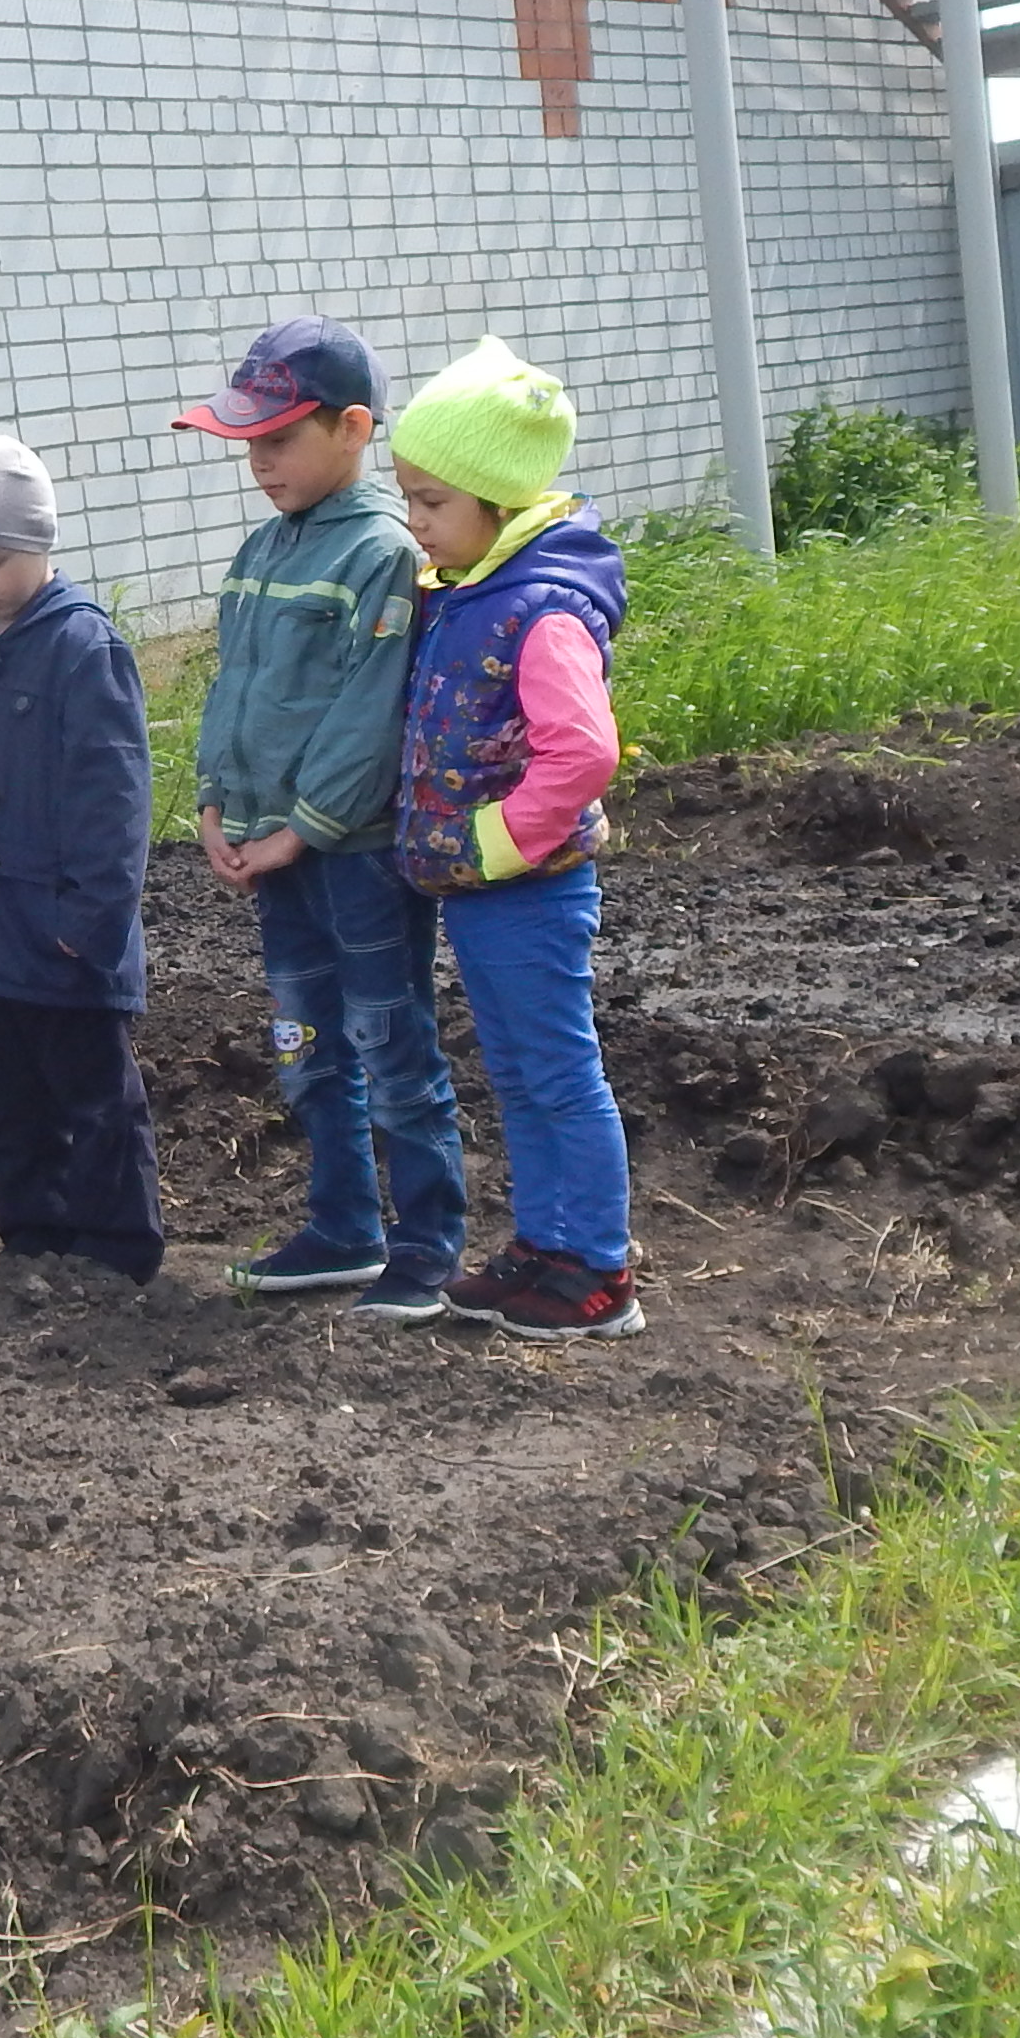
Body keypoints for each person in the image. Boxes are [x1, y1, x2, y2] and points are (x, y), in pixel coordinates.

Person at [177, 315, 467, 1324]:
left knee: (391, 1044)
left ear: (352, 429)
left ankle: (427, 1247)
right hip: (272, 848)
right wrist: (213, 801)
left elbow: (368, 712)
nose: (260, 462)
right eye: (249, 442)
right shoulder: (262, 550)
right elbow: (233, 687)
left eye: (279, 438)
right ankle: (344, 1225)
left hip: (353, 854)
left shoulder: (383, 552)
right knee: (306, 1045)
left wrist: (301, 827)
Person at [386, 338, 640, 1337]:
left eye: (432, 501)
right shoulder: (470, 589)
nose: (414, 520)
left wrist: (497, 841)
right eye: (408, 497)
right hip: (481, 889)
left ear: (498, 503)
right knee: (519, 1073)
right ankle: (545, 1245)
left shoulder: (539, 609)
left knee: (559, 1073)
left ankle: (601, 1270)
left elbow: (583, 753)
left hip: (526, 885)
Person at [0, 437, 164, 1282]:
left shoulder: (81, 646)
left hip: (62, 933)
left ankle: (116, 1257)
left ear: (38, 542)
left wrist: (90, 919)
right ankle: (32, 1245)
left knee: (94, 1103)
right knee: (1, 1101)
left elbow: (114, 796)